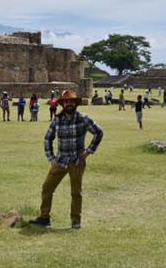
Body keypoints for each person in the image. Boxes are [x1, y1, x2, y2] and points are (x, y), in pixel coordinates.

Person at [29, 90, 103, 229]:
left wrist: (89, 151)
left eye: (71, 101)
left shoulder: (83, 118)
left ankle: (76, 220)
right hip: (60, 161)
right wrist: (51, 158)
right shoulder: (57, 119)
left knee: (76, 192)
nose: (69, 104)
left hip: (77, 161)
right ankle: (44, 217)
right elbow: (48, 138)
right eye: (66, 102)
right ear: (63, 104)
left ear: (75, 103)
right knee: (47, 188)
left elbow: (99, 132)